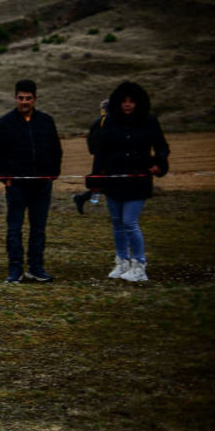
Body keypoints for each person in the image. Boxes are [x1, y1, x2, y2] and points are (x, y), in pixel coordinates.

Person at [91, 81, 169, 282]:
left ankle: (139, 264)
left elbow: (162, 147)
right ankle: (122, 261)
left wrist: (158, 164)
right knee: (117, 223)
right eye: (124, 101)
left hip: (138, 181)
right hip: (113, 180)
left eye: (131, 101)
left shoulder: (149, 121)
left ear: (138, 103)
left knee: (129, 222)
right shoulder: (109, 122)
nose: (127, 105)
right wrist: (96, 176)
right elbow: (100, 151)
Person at [0, 79, 62, 283]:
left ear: (35, 99)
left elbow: (56, 150)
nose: (24, 101)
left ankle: (36, 269)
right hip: (16, 187)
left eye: (28, 98)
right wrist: (5, 179)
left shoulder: (46, 121)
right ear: (15, 98)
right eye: (21, 98)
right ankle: (15, 271)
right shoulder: (4, 124)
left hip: (42, 186)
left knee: (38, 229)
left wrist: (52, 175)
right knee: (14, 229)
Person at [73, 98, 110, 215]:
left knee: (106, 183)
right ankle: (81, 198)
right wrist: (97, 153)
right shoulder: (103, 121)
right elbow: (93, 140)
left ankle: (81, 198)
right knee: (104, 183)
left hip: (104, 156)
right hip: (103, 157)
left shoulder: (104, 121)